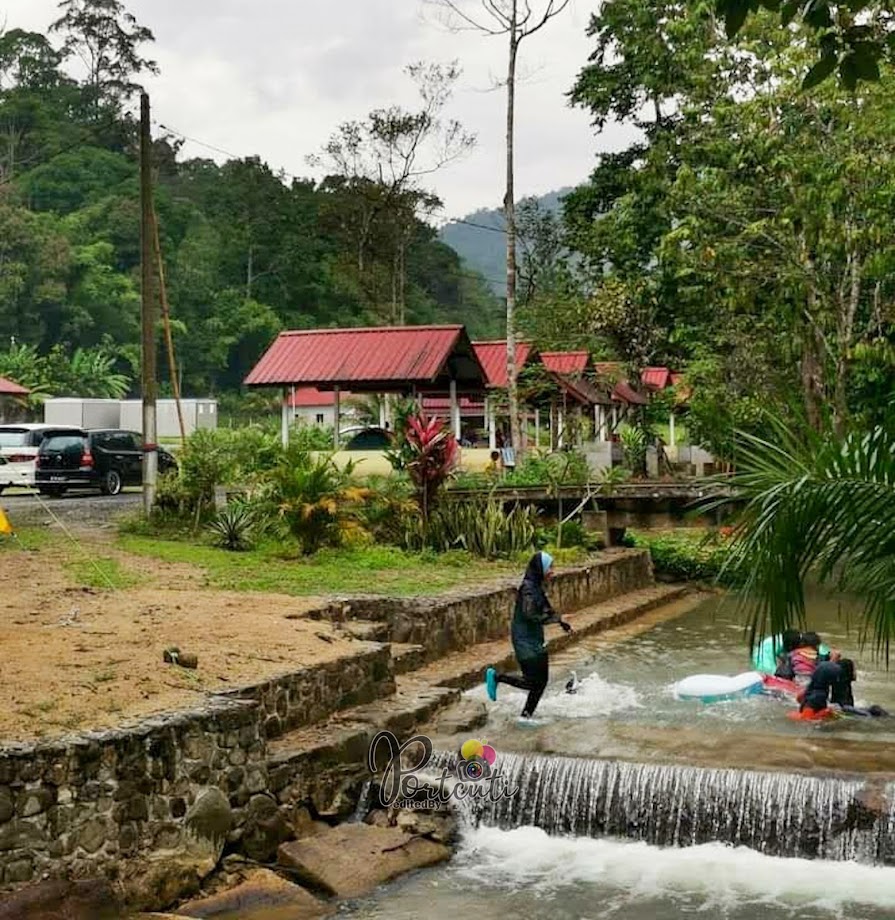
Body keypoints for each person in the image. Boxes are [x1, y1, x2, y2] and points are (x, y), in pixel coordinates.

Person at [485, 551, 572, 719]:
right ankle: (497, 677)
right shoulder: (528, 589)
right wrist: (557, 619)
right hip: (524, 640)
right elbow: (530, 614)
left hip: (535, 639)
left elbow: (547, 609)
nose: (553, 571)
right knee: (533, 681)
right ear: (540, 568)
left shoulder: (537, 586)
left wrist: (562, 623)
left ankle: (526, 716)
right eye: (550, 567)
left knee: (541, 681)